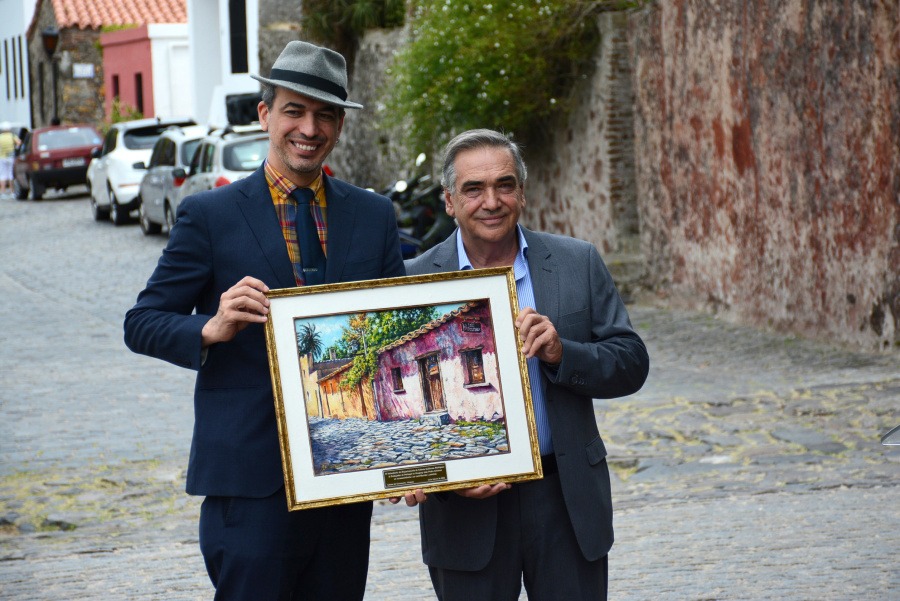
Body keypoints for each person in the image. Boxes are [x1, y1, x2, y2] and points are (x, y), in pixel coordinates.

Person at [124, 41, 404, 600]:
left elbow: (396, 335)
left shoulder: (373, 215)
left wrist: (412, 459)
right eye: (294, 111)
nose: (309, 128)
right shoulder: (210, 215)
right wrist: (210, 327)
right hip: (249, 485)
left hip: (345, 480)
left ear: (340, 126)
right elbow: (142, 321)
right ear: (264, 115)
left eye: (325, 115)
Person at [398, 129, 650, 600]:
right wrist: (435, 479)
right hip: (464, 514)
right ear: (449, 201)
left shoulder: (577, 262)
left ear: (523, 192)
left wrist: (562, 353)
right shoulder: (412, 281)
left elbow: (632, 363)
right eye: (474, 189)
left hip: (564, 499)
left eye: (505, 185)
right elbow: (405, 400)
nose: (492, 202)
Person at [0, 122, 21, 198]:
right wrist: (16, 148)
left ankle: (2, 192)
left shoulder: (0, 137)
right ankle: (12, 191)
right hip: (11, 157)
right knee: (10, 174)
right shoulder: (12, 136)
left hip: (2, 157)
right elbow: (19, 142)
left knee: (2, 174)